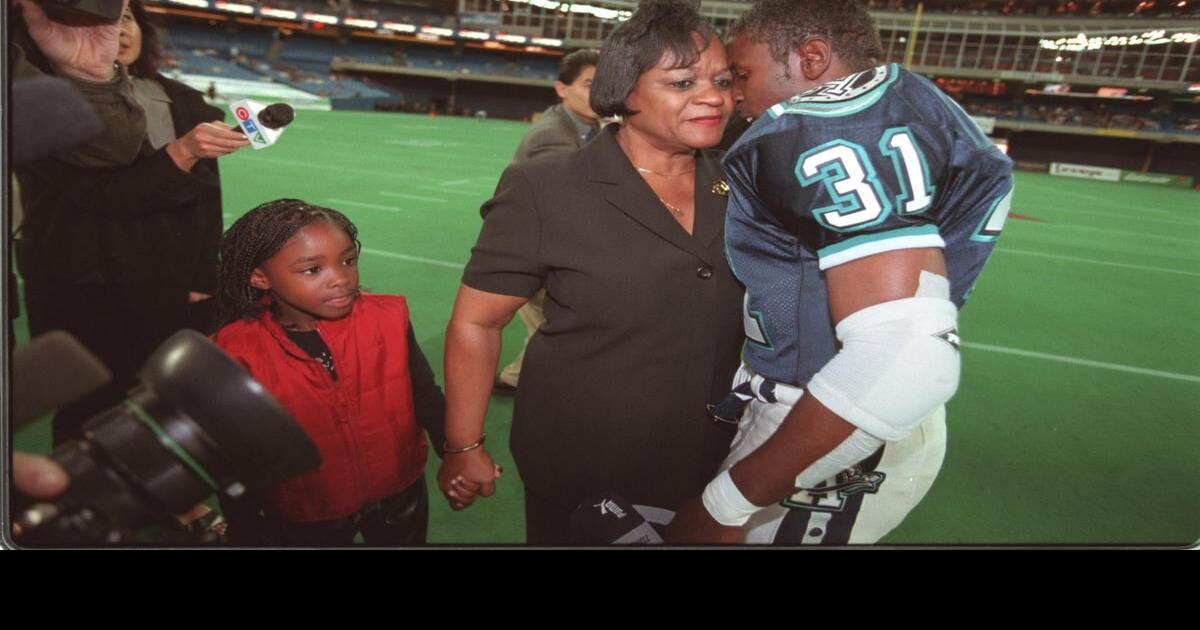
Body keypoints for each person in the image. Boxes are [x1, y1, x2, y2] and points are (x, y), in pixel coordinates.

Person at [668, 0, 1014, 545]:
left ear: (811, 58)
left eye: (744, 75)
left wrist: (725, 505)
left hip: (830, 411)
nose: (733, 95)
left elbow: (907, 354)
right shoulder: (912, 97)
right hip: (849, 408)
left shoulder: (823, 125)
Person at [438, 0, 744, 545]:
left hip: (717, 466)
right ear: (625, 90)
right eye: (682, 82)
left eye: (722, 80)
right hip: (584, 463)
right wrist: (464, 444)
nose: (714, 97)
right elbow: (478, 322)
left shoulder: (742, 185)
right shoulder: (546, 186)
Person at [15, 0, 250, 446]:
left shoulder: (182, 99)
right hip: (83, 282)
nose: (116, 30)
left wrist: (204, 275)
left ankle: (167, 480)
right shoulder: (36, 100)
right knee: (90, 404)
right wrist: (183, 152)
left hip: (166, 274)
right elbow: (106, 196)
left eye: (125, 18)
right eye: (93, 20)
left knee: (167, 395)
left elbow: (206, 196)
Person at [212, 200, 447, 547]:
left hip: (399, 488)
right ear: (260, 277)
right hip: (308, 509)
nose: (341, 279)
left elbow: (425, 393)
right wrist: (243, 525)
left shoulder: (386, 318)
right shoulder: (235, 350)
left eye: (348, 260)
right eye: (313, 269)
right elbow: (234, 454)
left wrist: (458, 453)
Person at [494, 48, 601, 395]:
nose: (598, 93)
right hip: (535, 250)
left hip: (550, 246)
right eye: (589, 85)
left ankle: (515, 378)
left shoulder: (588, 126)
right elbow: (567, 205)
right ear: (561, 89)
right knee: (558, 322)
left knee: (553, 322)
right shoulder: (552, 136)